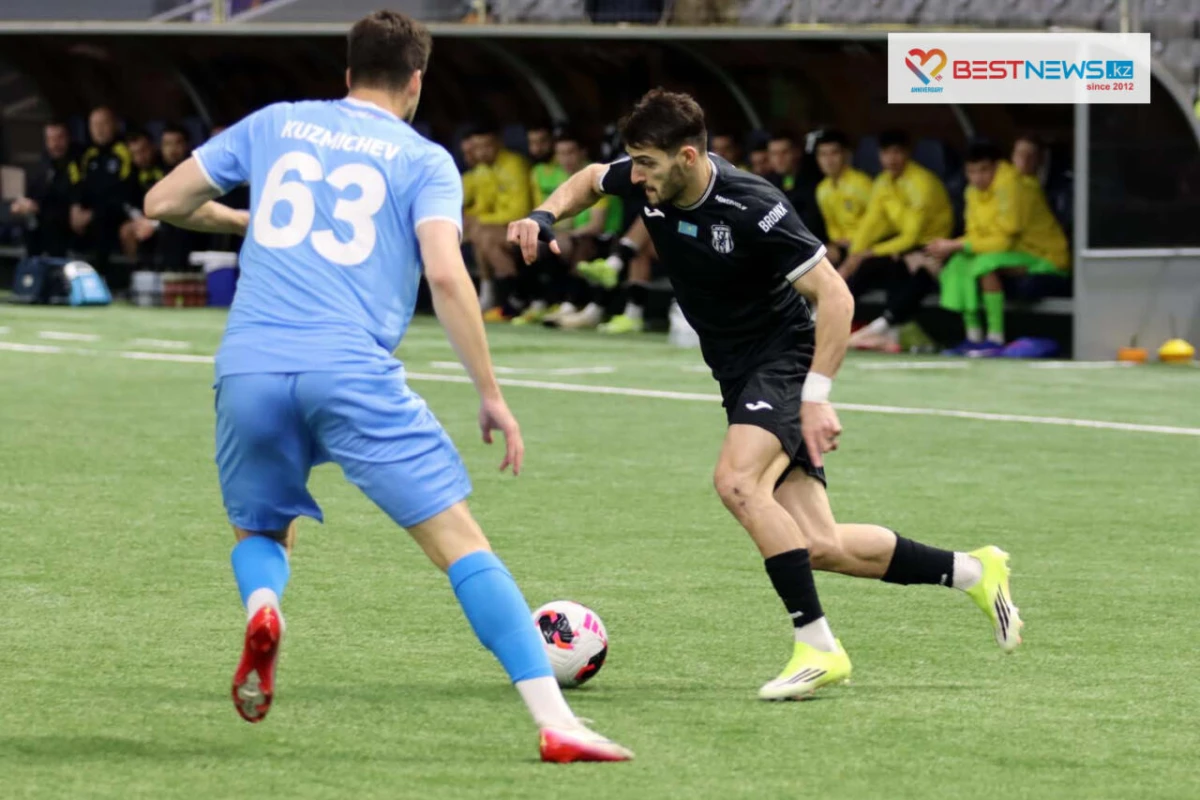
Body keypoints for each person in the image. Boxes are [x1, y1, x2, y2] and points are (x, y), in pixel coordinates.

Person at [143, 10, 630, 763]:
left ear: (347, 74)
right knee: (460, 545)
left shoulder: (275, 122)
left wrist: (247, 220)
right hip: (349, 370)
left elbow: (162, 203)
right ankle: (555, 722)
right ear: (416, 82)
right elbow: (446, 274)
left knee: (264, 532)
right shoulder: (424, 159)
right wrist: (490, 392)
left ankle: (265, 606)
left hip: (249, 366)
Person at [509, 89, 1022, 701]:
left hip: (782, 359)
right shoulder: (648, 180)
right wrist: (543, 215)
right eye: (635, 162)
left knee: (737, 482)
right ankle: (973, 571)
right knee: (818, 544)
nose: (636, 176)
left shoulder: (753, 205)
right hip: (737, 371)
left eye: (646, 163)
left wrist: (816, 396)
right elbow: (592, 179)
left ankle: (818, 647)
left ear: (688, 157)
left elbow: (836, 296)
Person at [926, 139, 1069, 355]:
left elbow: (1004, 241)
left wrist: (955, 244)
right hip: (1012, 253)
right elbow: (975, 234)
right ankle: (973, 337)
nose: (977, 178)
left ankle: (995, 338)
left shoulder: (1011, 186)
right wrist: (951, 248)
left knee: (985, 265)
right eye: (971, 172)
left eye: (984, 170)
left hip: (1044, 256)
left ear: (996, 166)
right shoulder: (971, 192)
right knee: (958, 263)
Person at [841, 129, 954, 352]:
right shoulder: (883, 182)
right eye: (886, 153)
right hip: (903, 247)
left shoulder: (922, 183)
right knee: (869, 266)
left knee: (921, 271)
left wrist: (872, 251)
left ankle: (881, 327)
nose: (891, 159)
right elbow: (870, 223)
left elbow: (912, 236)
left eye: (897, 152)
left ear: (907, 153)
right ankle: (826, 317)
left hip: (935, 246)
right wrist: (853, 256)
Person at [9, 120, 77, 257]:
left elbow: (69, 195)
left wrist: (38, 207)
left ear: (68, 138)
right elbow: (32, 191)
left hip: (65, 222)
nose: (55, 144)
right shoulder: (43, 163)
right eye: (50, 139)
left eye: (59, 138)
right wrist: (22, 203)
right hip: (40, 219)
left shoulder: (75, 163)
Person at [812, 129, 872, 267]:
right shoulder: (822, 189)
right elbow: (831, 225)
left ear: (845, 154)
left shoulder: (861, 184)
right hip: (842, 245)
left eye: (834, 153)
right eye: (823, 154)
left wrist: (856, 241)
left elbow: (877, 221)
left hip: (866, 244)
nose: (829, 160)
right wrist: (838, 241)